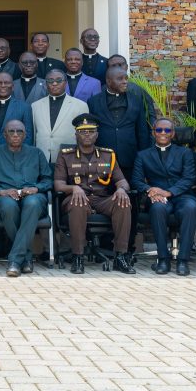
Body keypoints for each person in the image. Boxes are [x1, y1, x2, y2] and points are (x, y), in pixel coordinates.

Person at [54, 114, 133, 275]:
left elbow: (122, 181)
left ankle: (120, 256)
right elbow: (58, 184)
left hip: (102, 199)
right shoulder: (65, 155)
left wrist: (121, 190)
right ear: (76, 134)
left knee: (123, 202)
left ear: (97, 134)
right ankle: (78, 256)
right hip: (75, 199)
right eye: (83, 132)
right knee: (78, 202)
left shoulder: (108, 155)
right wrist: (74, 188)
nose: (87, 134)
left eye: (91, 131)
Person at [0, 119, 52, 277]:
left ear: (26, 135)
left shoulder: (36, 153)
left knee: (32, 203)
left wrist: (36, 188)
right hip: (3, 197)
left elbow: (48, 179)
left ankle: (15, 261)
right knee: (8, 206)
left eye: (20, 131)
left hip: (32, 196)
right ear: (4, 135)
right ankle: (25, 257)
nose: (16, 134)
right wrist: (0, 191)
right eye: (11, 131)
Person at [131, 118, 196, 276]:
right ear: (153, 132)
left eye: (167, 130)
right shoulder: (143, 155)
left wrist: (169, 192)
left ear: (173, 133)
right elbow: (136, 180)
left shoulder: (185, 153)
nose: (163, 133)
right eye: (159, 130)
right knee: (157, 209)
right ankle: (163, 259)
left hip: (182, 195)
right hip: (157, 198)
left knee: (191, 208)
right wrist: (151, 190)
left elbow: (189, 178)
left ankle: (183, 260)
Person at [86, 66, 154, 183]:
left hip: (130, 157)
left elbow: (142, 130)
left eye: (126, 78)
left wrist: (143, 157)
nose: (125, 81)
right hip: (102, 158)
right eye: (120, 79)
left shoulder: (136, 100)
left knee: (131, 194)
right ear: (108, 81)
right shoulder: (93, 102)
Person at [32, 69, 88, 162]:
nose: (54, 83)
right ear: (46, 84)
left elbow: (83, 136)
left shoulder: (80, 105)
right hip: (41, 158)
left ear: (65, 83)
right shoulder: (35, 106)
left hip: (69, 158)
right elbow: (34, 134)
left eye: (58, 80)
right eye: (50, 81)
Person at [0, 72, 33, 150]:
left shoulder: (24, 107)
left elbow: (28, 136)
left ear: (13, 87)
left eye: (6, 83)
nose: (3, 85)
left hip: (14, 154)